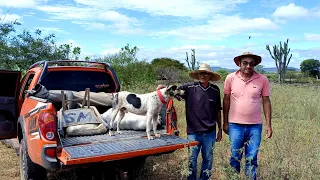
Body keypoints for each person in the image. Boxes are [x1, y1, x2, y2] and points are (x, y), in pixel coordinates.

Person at [157, 63, 222, 180]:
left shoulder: (215, 90)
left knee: (208, 158)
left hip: (210, 132)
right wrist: (163, 88)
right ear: (197, 75)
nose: (203, 75)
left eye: (206, 73)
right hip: (193, 132)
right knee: (192, 159)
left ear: (210, 76)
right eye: (201, 73)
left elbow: (218, 110)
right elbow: (173, 91)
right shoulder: (189, 88)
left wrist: (220, 129)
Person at [222, 52, 273, 180]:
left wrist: (268, 125)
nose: (248, 66)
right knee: (235, 156)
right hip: (235, 125)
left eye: (251, 63)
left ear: (254, 65)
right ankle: (234, 177)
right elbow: (226, 100)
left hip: (255, 126)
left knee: (252, 157)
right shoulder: (230, 78)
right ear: (239, 64)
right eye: (245, 63)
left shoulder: (262, 79)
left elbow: (266, 101)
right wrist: (225, 122)